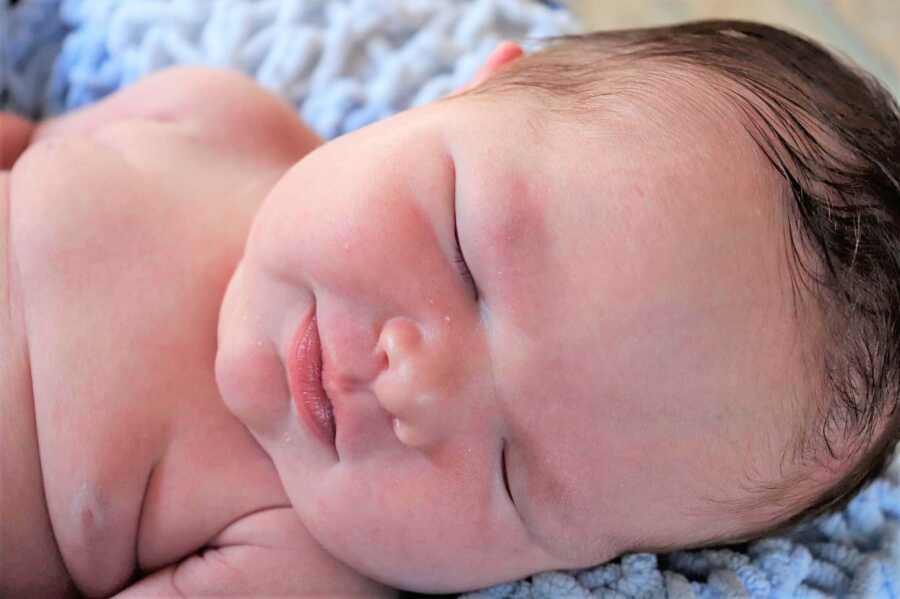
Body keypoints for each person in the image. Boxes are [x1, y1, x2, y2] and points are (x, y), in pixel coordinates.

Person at [2, 19, 898, 598]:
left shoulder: (294, 558)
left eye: (514, 472)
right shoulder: (215, 117)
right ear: (470, 92)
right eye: (466, 255)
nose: (415, 387)